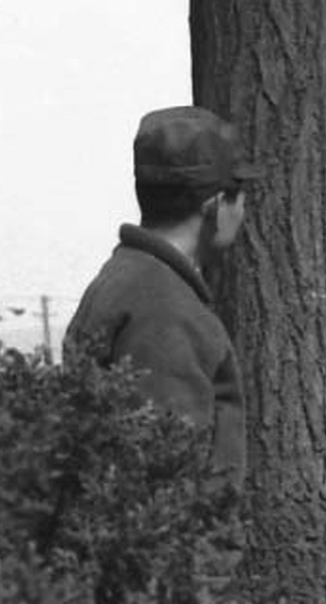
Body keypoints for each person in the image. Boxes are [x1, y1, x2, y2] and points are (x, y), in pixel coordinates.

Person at [65, 105, 256, 487]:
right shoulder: (167, 312)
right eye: (239, 194)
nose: (244, 209)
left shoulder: (126, 280)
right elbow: (165, 486)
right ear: (216, 207)